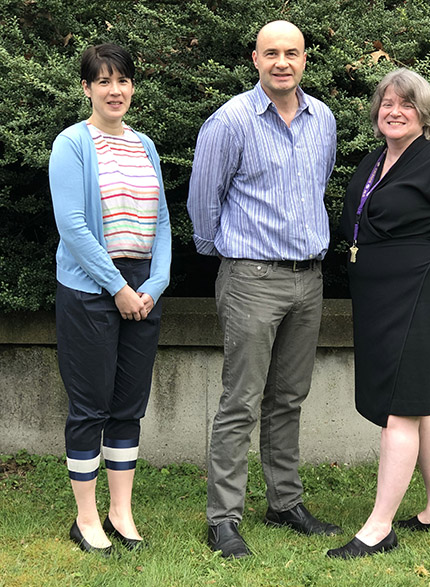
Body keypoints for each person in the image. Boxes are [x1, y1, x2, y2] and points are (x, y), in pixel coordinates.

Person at [187, 20, 340, 558]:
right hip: (251, 276)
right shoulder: (229, 121)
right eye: (271, 53)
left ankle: (284, 502)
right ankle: (222, 519)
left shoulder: (324, 119)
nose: (282, 62)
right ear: (255, 58)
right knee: (241, 401)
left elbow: (316, 188)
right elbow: (202, 203)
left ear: (304, 59)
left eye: (292, 53)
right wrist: (229, 257)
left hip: (309, 280)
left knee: (289, 398)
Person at [327, 68, 430, 559]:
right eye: (387, 104)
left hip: (421, 297)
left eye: (406, 105)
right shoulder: (378, 160)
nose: (394, 112)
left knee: (399, 410)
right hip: (383, 299)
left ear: (424, 114)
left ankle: (378, 527)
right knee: (418, 407)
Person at [49, 43, 171, 556]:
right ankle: (85, 517)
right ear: (86, 89)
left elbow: (162, 220)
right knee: (89, 406)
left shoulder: (145, 144)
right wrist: (117, 288)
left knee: (127, 407)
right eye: (103, 81)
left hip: (143, 289)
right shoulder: (72, 143)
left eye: (122, 80)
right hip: (91, 288)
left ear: (132, 87)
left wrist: (154, 285)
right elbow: (73, 227)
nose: (114, 90)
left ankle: (121, 512)